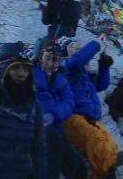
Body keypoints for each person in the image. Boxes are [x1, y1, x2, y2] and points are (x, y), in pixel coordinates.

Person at [59, 35, 123, 177]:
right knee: (97, 141)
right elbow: (76, 61)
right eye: (73, 47)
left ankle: (108, 169)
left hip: (90, 119)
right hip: (73, 117)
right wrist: (96, 44)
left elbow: (102, 85)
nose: (78, 50)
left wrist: (103, 65)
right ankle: (113, 170)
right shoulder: (63, 68)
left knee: (106, 142)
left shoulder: (83, 75)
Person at [33, 39, 92, 179]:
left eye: (55, 60)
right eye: (48, 58)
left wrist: (54, 114)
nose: (50, 64)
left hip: (56, 124)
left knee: (78, 166)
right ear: (40, 55)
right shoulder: (30, 73)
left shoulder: (60, 76)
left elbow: (69, 102)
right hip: (37, 125)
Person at [0, 42, 46, 178]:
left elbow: (39, 152)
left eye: (26, 69)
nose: (21, 74)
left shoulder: (34, 107)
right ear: (3, 69)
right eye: (15, 68)